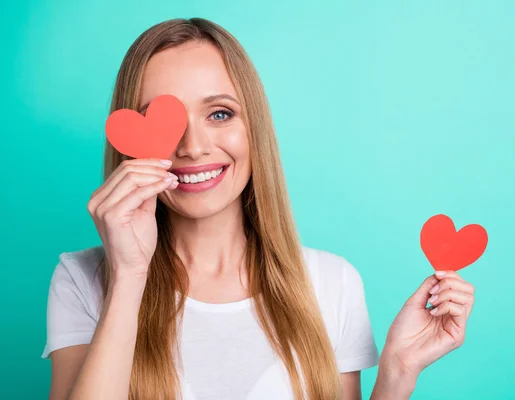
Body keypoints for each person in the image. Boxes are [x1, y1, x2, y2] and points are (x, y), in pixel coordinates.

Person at [42, 17, 476, 400]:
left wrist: (397, 374)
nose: (192, 148)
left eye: (219, 114)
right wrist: (129, 275)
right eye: (164, 120)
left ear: (255, 128)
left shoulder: (333, 284)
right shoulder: (82, 280)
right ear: (130, 143)